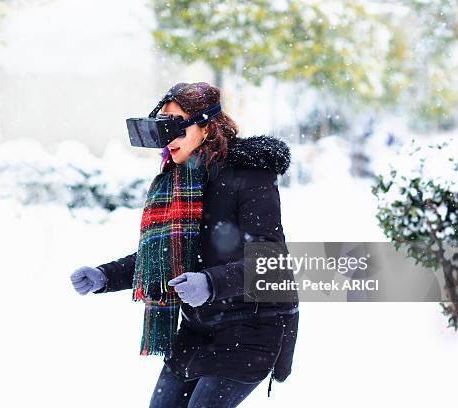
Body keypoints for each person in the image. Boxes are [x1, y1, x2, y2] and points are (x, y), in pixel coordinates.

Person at [70, 82, 299, 408]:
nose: (169, 140)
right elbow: (163, 257)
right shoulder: (179, 181)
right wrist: (105, 276)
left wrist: (210, 282)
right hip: (199, 330)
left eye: (176, 126)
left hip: (252, 329)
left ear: (206, 126)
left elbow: (272, 263)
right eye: (162, 129)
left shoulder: (250, 175)